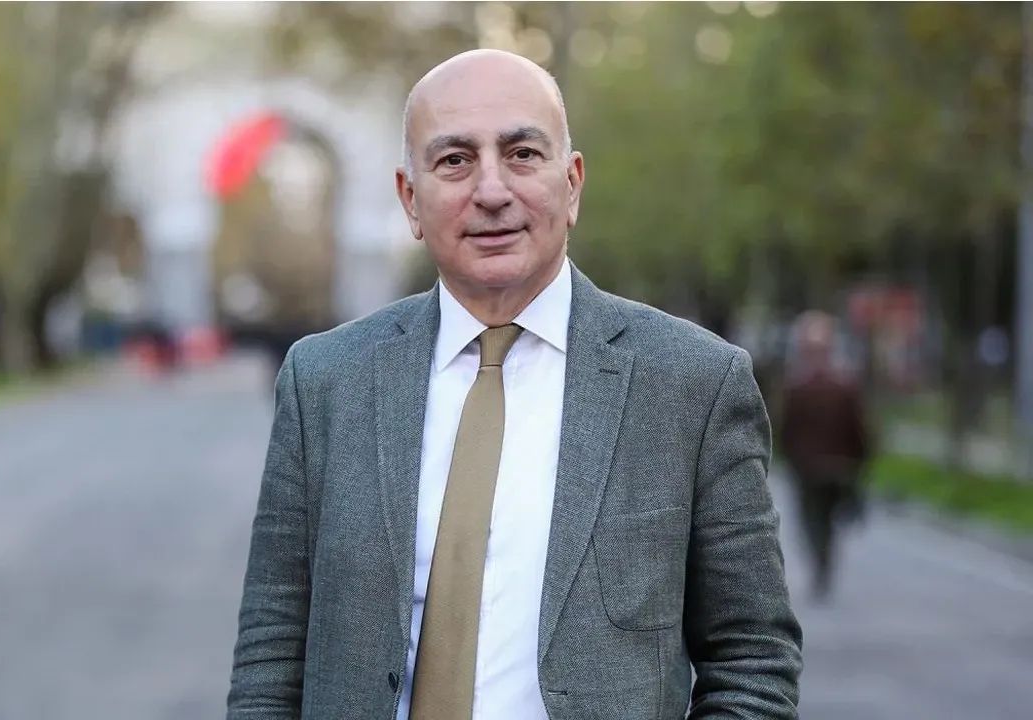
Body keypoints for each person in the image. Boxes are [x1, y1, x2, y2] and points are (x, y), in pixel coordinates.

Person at [228, 49, 802, 720]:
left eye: (522, 154)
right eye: (454, 160)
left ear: (572, 183)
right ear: (410, 199)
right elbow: (272, 653)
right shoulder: (324, 382)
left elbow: (752, 660)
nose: (492, 191)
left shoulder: (692, 385)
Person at [778, 310, 873, 602]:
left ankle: (821, 562)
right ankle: (824, 562)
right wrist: (860, 461)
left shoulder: (797, 387)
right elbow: (861, 429)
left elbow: (784, 427)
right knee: (826, 520)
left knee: (813, 520)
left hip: (809, 466)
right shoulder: (844, 385)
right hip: (835, 466)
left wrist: (788, 456)